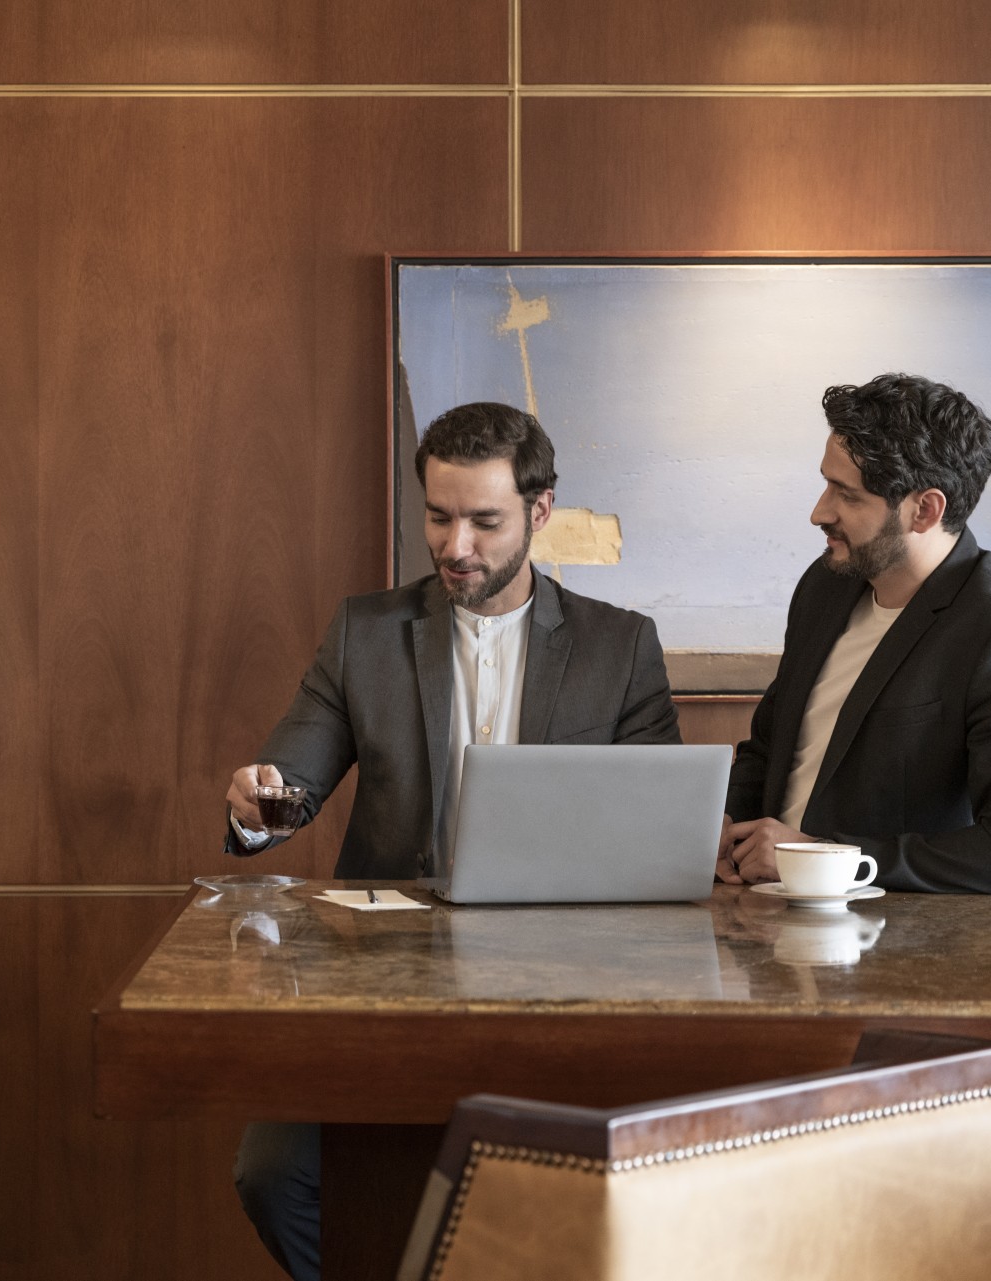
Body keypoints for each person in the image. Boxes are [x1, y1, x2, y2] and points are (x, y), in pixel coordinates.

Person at [224, 400, 681, 1281]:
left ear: (540, 511)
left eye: (484, 521)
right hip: (379, 986)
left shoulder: (620, 647)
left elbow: (658, 835)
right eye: (438, 516)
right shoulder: (364, 634)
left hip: (565, 991)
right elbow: (287, 784)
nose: (455, 545)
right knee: (273, 1177)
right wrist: (257, 804)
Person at [719, 373, 991, 896]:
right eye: (826, 484)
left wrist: (820, 858)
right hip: (762, 914)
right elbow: (771, 748)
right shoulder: (824, 585)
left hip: (897, 933)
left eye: (847, 495)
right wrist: (721, 822)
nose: (819, 512)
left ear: (925, 510)